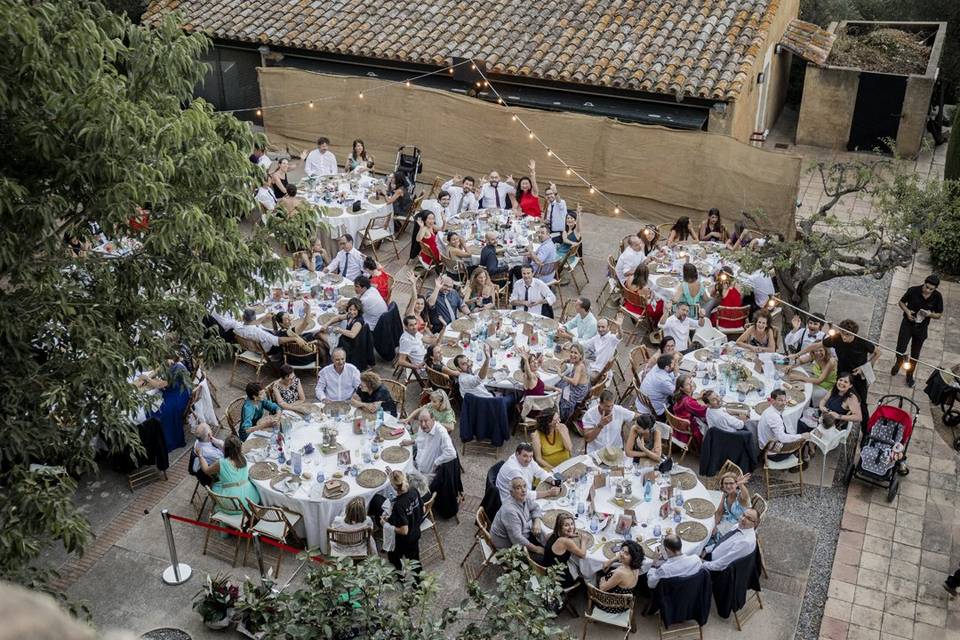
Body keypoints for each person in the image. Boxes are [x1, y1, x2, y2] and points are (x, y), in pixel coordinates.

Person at [794, 319, 878, 440]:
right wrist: (797, 355)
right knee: (836, 398)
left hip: (858, 377)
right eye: (842, 333)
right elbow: (815, 345)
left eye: (847, 335)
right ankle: (834, 423)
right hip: (843, 374)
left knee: (862, 405)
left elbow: (878, 352)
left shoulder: (863, 342)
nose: (844, 337)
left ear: (854, 334)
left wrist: (865, 367)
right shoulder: (837, 338)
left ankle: (866, 432)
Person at [892, 274, 943, 387]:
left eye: (931, 289)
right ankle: (899, 362)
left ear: (935, 289)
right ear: (924, 283)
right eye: (926, 287)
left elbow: (939, 314)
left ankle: (909, 376)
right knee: (900, 348)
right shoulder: (913, 290)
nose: (928, 290)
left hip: (922, 328)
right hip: (907, 324)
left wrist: (930, 314)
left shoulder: (937, 297)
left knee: (915, 354)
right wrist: (907, 311)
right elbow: (901, 302)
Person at [136, 355, 192, 451]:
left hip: (178, 396)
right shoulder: (169, 362)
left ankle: (164, 440)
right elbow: (157, 370)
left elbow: (160, 385)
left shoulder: (178, 369)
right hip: (173, 391)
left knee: (159, 412)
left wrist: (146, 379)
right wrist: (147, 378)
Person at [197, 435, 260, 513]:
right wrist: (215, 440)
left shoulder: (221, 462)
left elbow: (206, 470)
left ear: (225, 449)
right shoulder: (243, 458)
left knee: (214, 485)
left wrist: (200, 456)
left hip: (234, 502)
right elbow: (230, 448)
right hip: (250, 498)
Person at [490, 476, 546, 559]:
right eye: (518, 488)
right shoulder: (510, 511)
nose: (523, 490)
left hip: (523, 535)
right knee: (544, 560)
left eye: (524, 486)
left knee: (547, 541)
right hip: (508, 547)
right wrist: (536, 549)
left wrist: (537, 521)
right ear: (511, 492)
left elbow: (536, 507)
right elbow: (516, 539)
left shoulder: (523, 498)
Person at [382, 470, 424, 573]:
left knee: (394, 558)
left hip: (404, 540)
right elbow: (422, 509)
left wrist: (386, 525)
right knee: (415, 563)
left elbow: (404, 530)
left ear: (393, 486)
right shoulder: (414, 491)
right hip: (415, 533)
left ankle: (400, 578)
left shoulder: (399, 504)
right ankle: (419, 583)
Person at [495, 442, 561, 502]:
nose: (528, 460)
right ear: (517, 454)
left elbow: (539, 471)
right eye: (525, 456)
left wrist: (553, 481)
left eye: (531, 456)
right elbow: (525, 494)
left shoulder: (527, 458)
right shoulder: (513, 470)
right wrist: (549, 493)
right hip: (512, 501)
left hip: (526, 491)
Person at [757, 389, 810, 464]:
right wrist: (801, 436)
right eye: (780, 400)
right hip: (773, 453)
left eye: (785, 400)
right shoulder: (774, 417)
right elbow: (782, 438)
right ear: (772, 401)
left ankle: (801, 454)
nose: (784, 403)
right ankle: (801, 459)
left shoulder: (768, 411)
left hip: (767, 446)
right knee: (803, 436)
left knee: (800, 427)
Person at [403, 411, 457, 480]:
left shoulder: (441, 432)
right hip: (418, 465)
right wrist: (411, 441)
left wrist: (436, 462)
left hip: (428, 474)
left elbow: (452, 453)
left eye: (426, 421)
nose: (423, 424)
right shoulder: (422, 427)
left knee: (402, 485)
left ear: (433, 420)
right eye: (420, 421)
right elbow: (421, 440)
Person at [324, 298, 374, 371]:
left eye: (354, 310)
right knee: (320, 341)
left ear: (358, 310)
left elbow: (352, 334)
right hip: (345, 340)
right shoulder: (350, 315)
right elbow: (338, 317)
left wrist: (339, 330)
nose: (352, 312)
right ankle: (327, 359)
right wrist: (327, 324)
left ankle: (331, 357)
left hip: (350, 346)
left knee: (320, 336)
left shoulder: (358, 322)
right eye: (350, 309)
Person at [596, 541, 643, 612]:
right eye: (622, 550)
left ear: (633, 558)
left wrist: (602, 579)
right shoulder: (636, 567)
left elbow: (602, 588)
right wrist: (611, 561)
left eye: (626, 553)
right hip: (626, 601)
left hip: (613, 604)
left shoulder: (620, 573)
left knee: (597, 575)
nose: (621, 553)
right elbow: (621, 556)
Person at [543, 513, 588, 588]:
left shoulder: (553, 534)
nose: (571, 527)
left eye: (572, 524)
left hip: (547, 568)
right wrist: (584, 541)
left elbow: (547, 538)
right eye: (566, 525)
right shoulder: (565, 541)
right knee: (580, 567)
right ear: (560, 527)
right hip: (560, 578)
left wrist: (568, 534)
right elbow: (583, 555)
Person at [583, 390, 635, 454]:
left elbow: (635, 416)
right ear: (600, 403)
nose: (610, 409)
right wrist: (600, 425)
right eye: (607, 406)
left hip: (615, 451)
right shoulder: (590, 414)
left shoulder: (618, 410)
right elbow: (588, 439)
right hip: (596, 451)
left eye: (612, 405)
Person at [670, 375, 707, 446]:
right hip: (690, 427)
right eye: (687, 384)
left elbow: (689, 401)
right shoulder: (688, 402)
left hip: (680, 425)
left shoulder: (680, 396)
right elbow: (704, 411)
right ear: (681, 388)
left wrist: (698, 397)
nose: (691, 385)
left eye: (691, 382)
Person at [556, 343, 590, 422]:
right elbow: (572, 359)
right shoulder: (580, 361)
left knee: (561, 389)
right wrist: (565, 360)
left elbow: (574, 382)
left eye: (575, 353)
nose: (572, 354)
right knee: (561, 384)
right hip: (584, 388)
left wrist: (561, 375)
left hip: (578, 392)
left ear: (581, 355)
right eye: (571, 352)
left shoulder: (579, 367)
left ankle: (563, 417)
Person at [638, 353, 677, 419]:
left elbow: (670, 376)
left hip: (644, 402)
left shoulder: (658, 366)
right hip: (656, 410)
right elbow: (677, 393)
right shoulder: (663, 380)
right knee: (682, 405)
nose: (675, 365)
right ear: (667, 367)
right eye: (673, 364)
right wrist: (676, 374)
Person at [713, 472, 751, 537]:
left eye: (731, 483)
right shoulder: (725, 495)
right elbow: (719, 512)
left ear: (736, 484)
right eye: (726, 483)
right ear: (722, 485)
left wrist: (741, 485)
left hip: (740, 528)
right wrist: (715, 526)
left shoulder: (740, 497)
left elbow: (746, 497)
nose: (728, 486)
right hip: (727, 523)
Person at [397, 314, 430, 379]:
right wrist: (416, 366)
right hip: (422, 368)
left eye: (415, 324)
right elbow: (401, 361)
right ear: (406, 327)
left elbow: (429, 341)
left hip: (427, 359)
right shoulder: (406, 340)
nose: (414, 327)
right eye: (411, 325)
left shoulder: (415, 332)